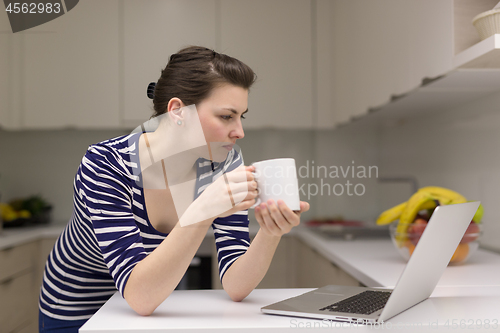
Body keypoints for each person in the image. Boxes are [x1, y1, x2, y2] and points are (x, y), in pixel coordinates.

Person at [38, 46, 310, 332]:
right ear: (178, 111)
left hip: (157, 298)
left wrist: (270, 231)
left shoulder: (223, 161)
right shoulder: (106, 164)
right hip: (79, 306)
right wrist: (204, 209)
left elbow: (236, 285)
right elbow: (139, 296)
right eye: (227, 116)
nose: (239, 132)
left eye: (242, 116)